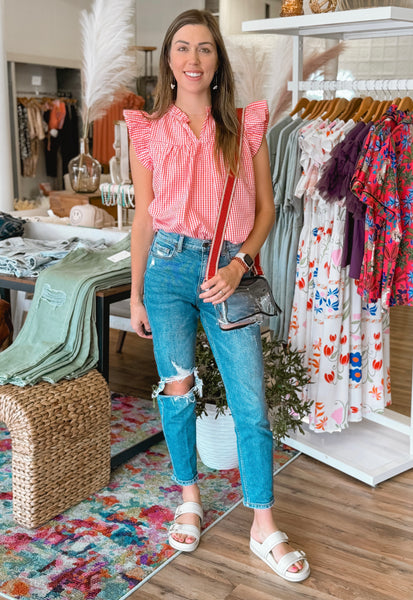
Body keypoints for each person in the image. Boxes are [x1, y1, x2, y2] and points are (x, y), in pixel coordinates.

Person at [124, 9, 310, 584]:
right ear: (168, 59)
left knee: (250, 400)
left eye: (205, 48)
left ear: (217, 59)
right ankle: (188, 497)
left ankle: (263, 524)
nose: (193, 59)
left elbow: (268, 211)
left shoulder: (245, 123)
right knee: (177, 392)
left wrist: (239, 264)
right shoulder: (147, 130)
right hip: (167, 272)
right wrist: (135, 296)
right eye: (182, 48)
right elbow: (144, 218)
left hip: (226, 271)